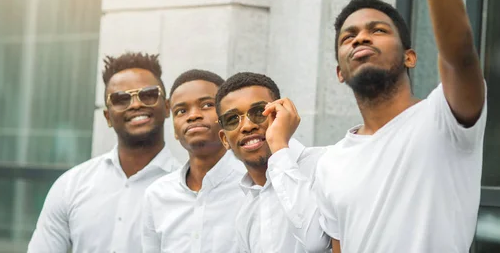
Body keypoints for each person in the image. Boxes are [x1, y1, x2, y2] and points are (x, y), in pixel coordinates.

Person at [314, 0, 488, 253]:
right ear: (339, 72)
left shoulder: (445, 120)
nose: (361, 38)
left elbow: (459, 52)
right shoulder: (330, 164)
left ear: (410, 56)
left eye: (377, 30)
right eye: (349, 36)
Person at [28, 52, 180, 253]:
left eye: (148, 94)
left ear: (167, 107)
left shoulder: (189, 190)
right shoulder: (70, 186)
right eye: (120, 99)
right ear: (108, 116)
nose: (136, 104)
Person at [215, 72, 330, 253]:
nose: (247, 126)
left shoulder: (327, 164)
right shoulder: (244, 215)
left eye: (259, 112)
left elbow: (316, 242)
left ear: (281, 114)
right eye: (232, 120)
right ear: (224, 140)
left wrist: (279, 146)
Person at [141, 69, 246, 252]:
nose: (193, 115)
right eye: (181, 111)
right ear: (174, 129)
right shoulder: (157, 195)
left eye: (206, 105)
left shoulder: (253, 185)